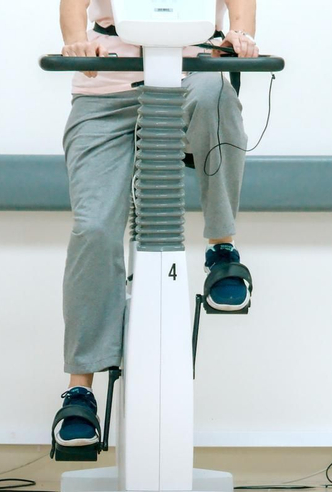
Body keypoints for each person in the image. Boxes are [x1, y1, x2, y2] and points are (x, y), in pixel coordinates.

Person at [51, 0, 260, 452]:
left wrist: (240, 35)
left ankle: (222, 249)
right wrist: (77, 42)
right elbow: (73, 7)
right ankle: (80, 389)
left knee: (215, 92)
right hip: (104, 92)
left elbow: (240, 5)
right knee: (94, 229)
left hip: (188, 74)